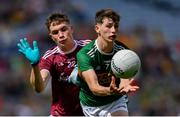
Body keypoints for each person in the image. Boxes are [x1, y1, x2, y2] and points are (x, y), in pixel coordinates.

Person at [17, 12, 91, 116]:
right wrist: (34, 64)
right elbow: (39, 88)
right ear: (51, 36)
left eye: (64, 29)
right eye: (55, 32)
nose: (61, 35)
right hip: (61, 114)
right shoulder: (50, 57)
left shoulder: (88, 48)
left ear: (71, 29)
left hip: (90, 112)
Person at [76, 9, 139, 116]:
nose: (113, 30)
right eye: (109, 26)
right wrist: (111, 91)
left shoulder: (123, 52)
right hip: (90, 105)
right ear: (97, 28)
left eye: (116, 26)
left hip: (115, 102)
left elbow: (124, 79)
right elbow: (94, 88)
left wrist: (123, 87)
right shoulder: (85, 55)